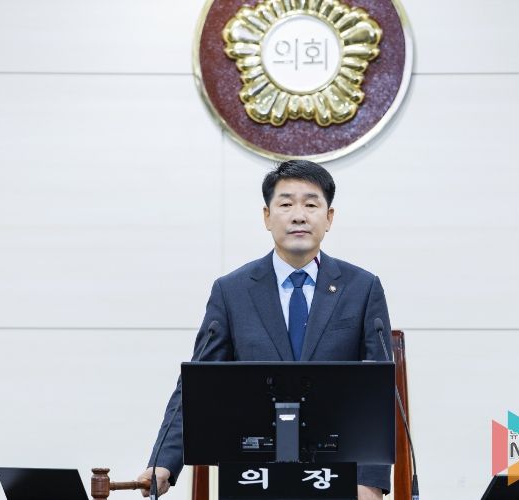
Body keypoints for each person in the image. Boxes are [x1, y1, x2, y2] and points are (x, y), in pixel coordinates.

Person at [138, 160, 393, 499]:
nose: (299, 216)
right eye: (286, 204)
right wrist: (163, 463)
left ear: (329, 217)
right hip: (252, 473)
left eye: (311, 205)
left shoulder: (361, 288)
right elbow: (197, 384)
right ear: (267, 216)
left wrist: (370, 482)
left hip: (336, 474)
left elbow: (377, 394)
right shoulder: (232, 291)